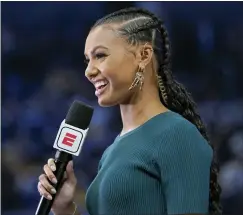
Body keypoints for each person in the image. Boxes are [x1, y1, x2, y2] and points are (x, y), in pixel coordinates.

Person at [37, 7, 222, 215]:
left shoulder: (177, 136)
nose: (89, 71)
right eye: (87, 60)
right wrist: (64, 208)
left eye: (100, 55)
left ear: (143, 55)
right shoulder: (112, 150)